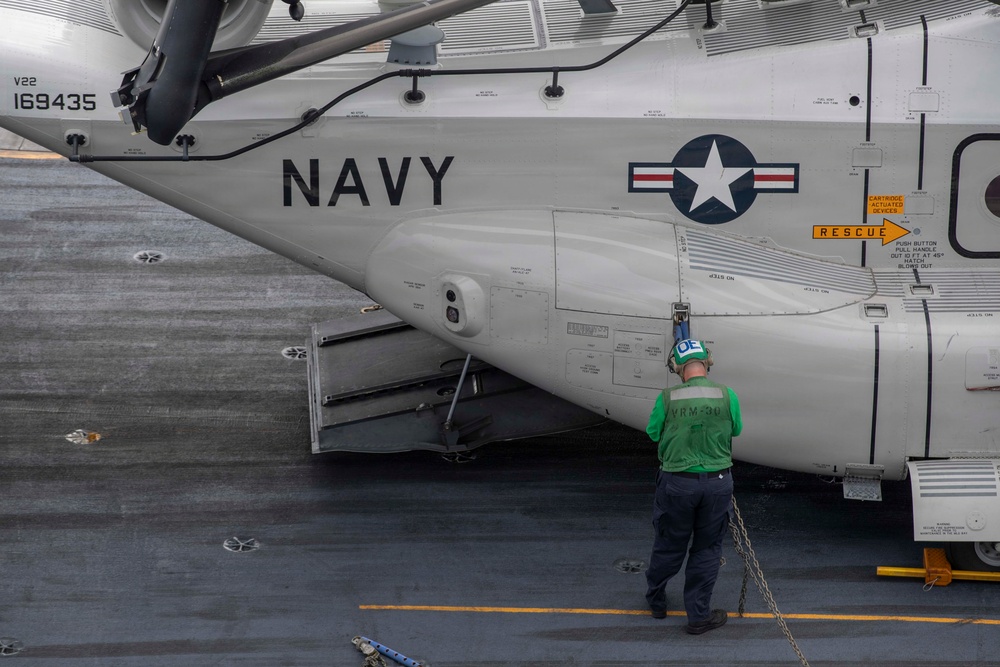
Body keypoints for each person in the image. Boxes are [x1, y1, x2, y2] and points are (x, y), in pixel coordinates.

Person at [644, 339, 742, 634]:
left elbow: (652, 434)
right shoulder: (728, 395)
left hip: (677, 483)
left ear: (676, 367)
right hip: (717, 484)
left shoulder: (667, 398)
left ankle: (657, 601)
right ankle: (698, 617)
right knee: (707, 549)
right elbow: (736, 429)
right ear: (707, 363)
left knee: (669, 543)